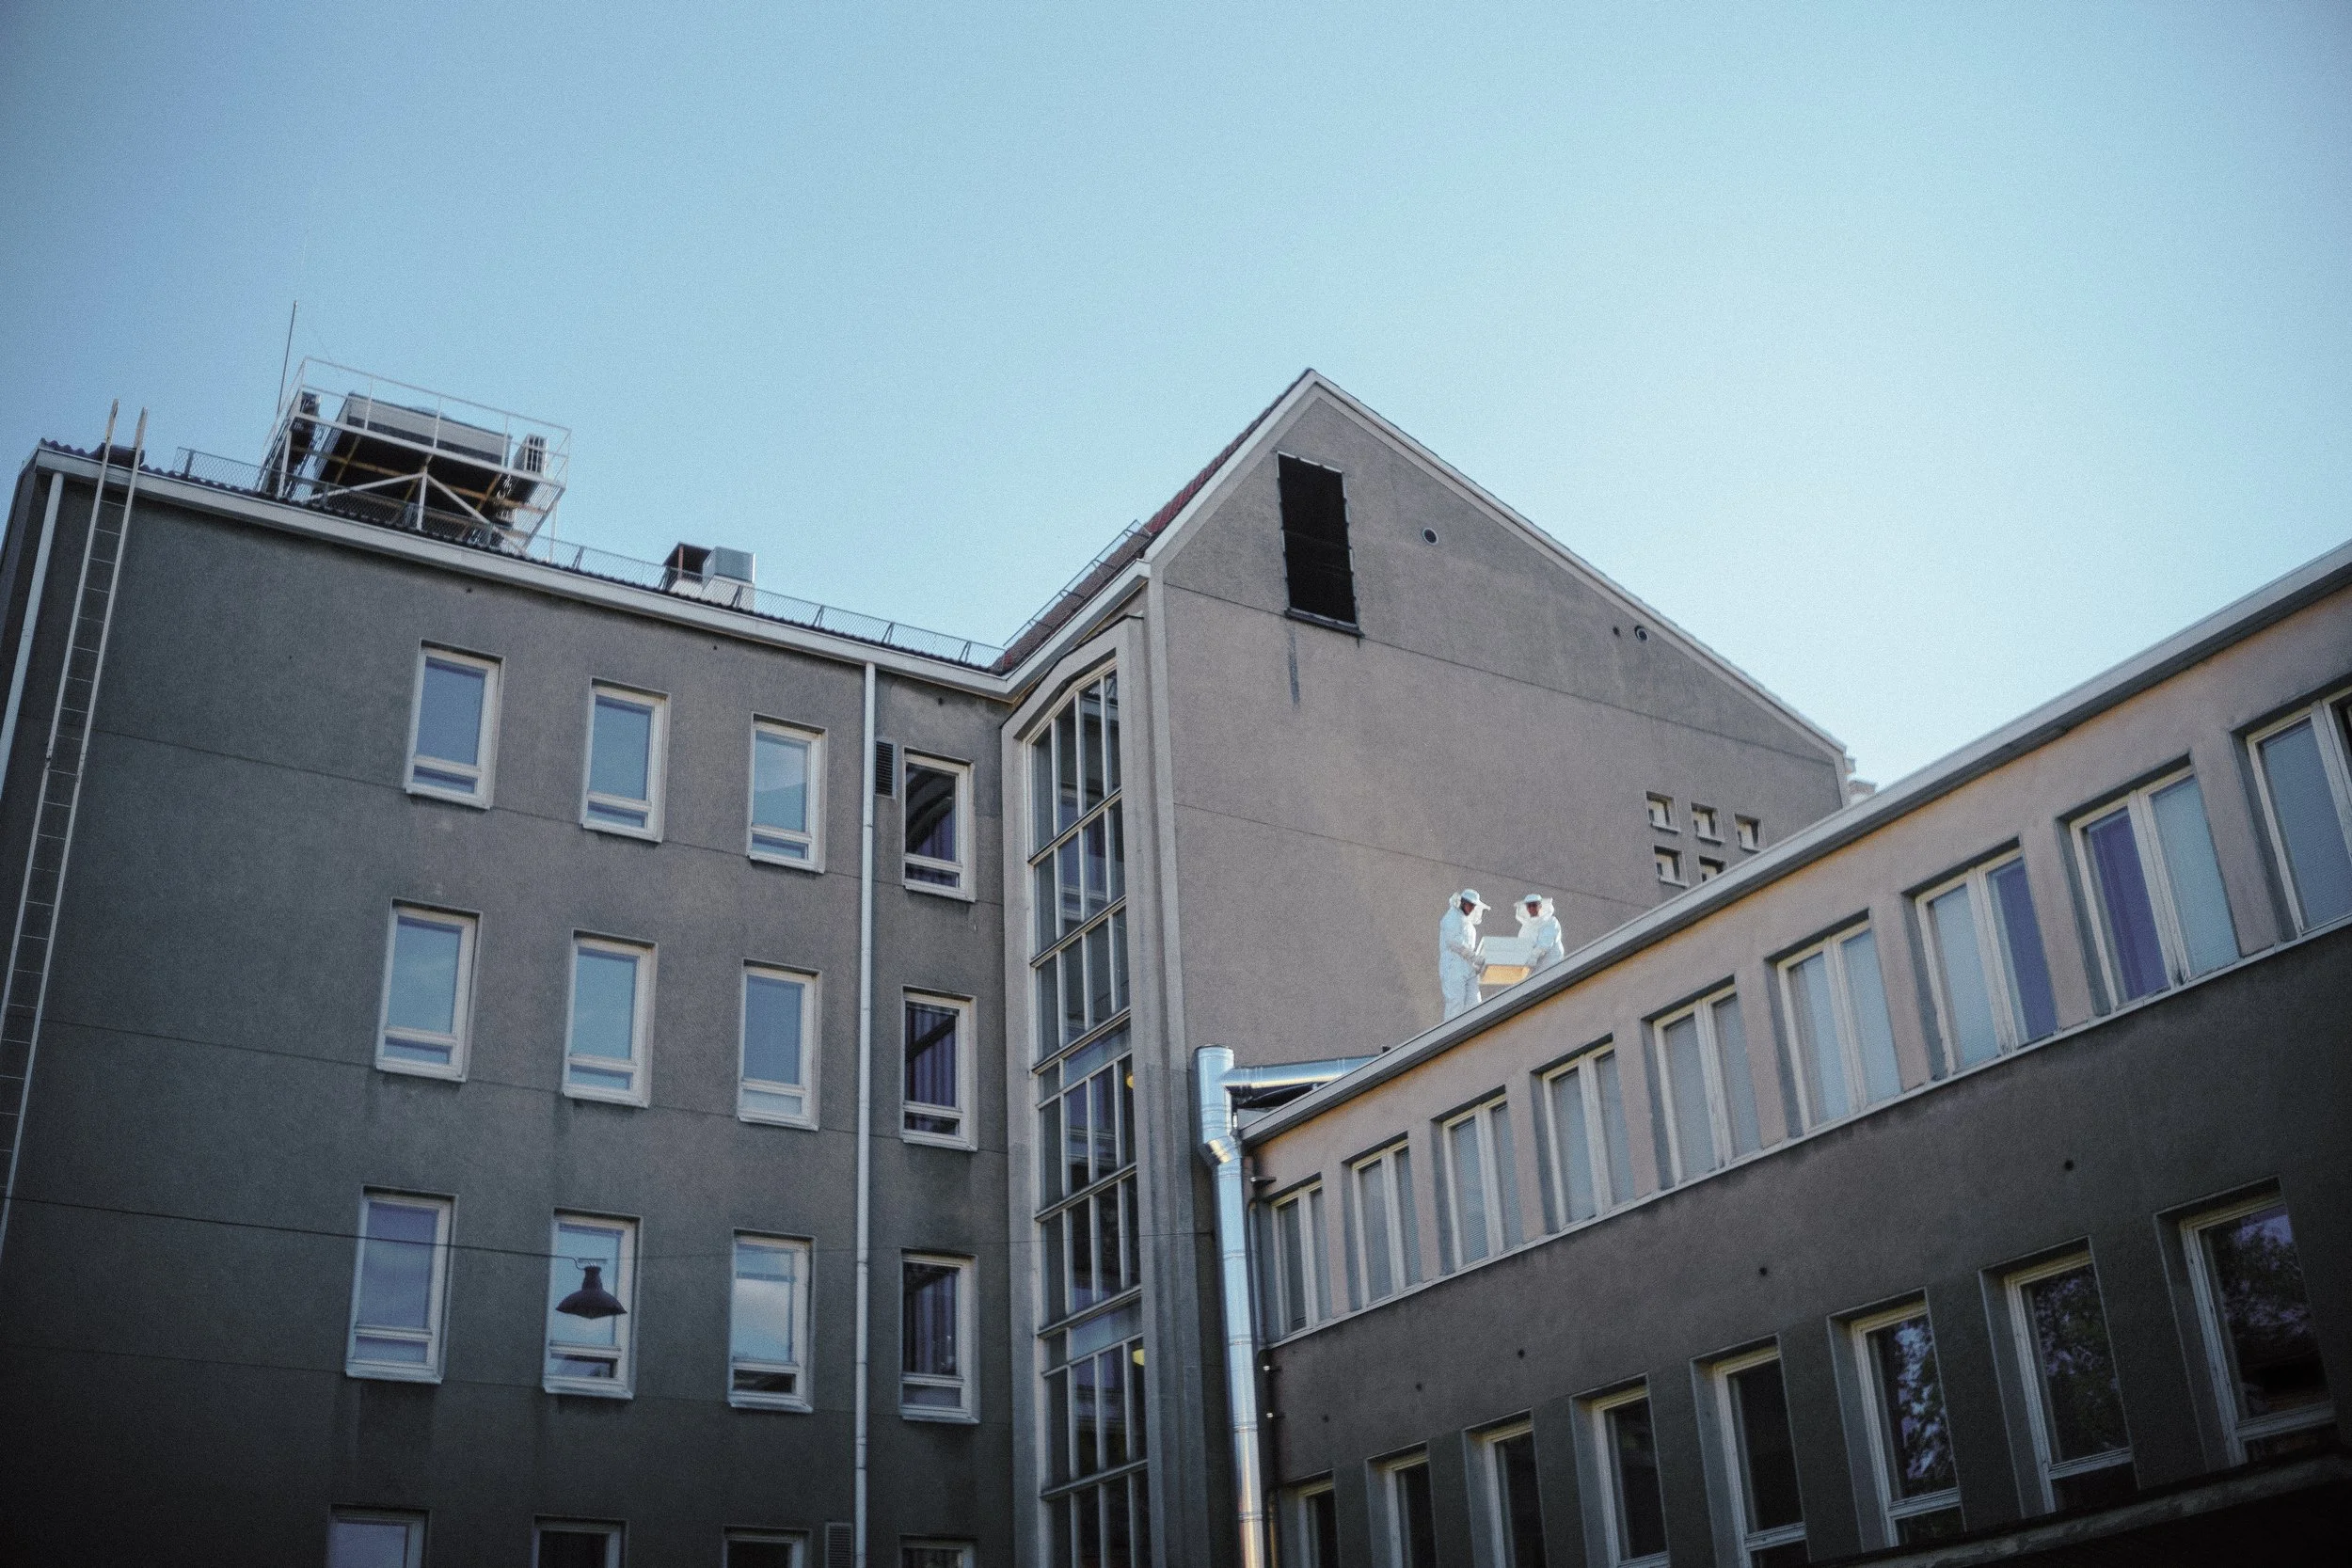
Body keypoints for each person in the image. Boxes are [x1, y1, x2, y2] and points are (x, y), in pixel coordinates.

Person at [1439, 889, 1488, 1020]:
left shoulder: (1469, 924)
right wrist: (1473, 957)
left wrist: (1475, 963)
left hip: (1467, 967)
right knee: (1456, 1002)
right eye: (1469, 904)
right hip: (1453, 966)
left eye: (1473, 905)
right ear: (1462, 902)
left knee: (1474, 1004)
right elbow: (1454, 941)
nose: (1471, 908)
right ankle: (1451, 1036)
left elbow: (1469, 947)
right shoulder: (1452, 917)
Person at [1517, 894, 1565, 974]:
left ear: (1540, 906)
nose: (1532, 908)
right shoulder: (1525, 928)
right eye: (1529, 906)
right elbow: (1522, 945)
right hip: (1533, 970)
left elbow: (1545, 943)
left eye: (1534, 905)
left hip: (1551, 965)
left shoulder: (1550, 921)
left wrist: (1533, 956)